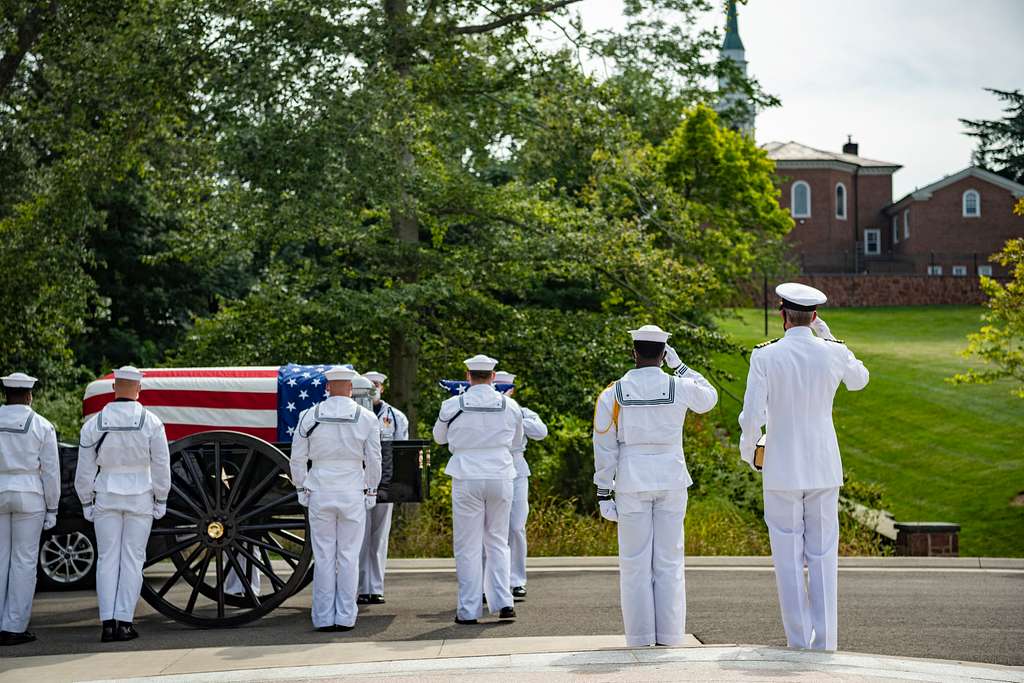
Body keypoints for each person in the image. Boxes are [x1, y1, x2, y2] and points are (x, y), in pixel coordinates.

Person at [739, 282, 869, 651]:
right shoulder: (834, 352)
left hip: (781, 465)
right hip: (823, 464)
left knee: (787, 555)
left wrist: (750, 452)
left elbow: (752, 417)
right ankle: (825, 643)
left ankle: (798, 641)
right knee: (824, 553)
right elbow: (860, 380)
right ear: (813, 316)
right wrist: (830, 337)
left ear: (783, 316)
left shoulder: (765, 356)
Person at [592, 325, 718, 647]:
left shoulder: (613, 393)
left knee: (634, 564)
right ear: (663, 354)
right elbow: (710, 398)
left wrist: (604, 490)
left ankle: (640, 637)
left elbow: (604, 447)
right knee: (670, 561)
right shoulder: (679, 385)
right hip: (671, 478)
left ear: (634, 352)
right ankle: (671, 637)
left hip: (632, 481)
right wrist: (681, 367)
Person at [76, 366, 170, 643]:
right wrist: (162, 497)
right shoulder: (151, 422)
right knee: (132, 559)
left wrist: (85, 501)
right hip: (141, 493)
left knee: (107, 559)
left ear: (114, 387)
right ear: (138, 390)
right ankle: (125, 623)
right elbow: (161, 466)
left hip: (105, 492)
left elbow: (84, 470)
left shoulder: (94, 424)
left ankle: (107, 623)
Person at [290, 366, 382, 632]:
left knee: (324, 555)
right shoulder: (366, 417)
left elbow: (297, 457)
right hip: (352, 489)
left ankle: (322, 616)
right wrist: (371, 489)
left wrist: (300, 487)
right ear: (351, 388)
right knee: (348, 556)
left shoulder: (309, 415)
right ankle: (345, 616)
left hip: (320, 488)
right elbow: (373, 459)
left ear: (327, 387)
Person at [433, 354, 523, 624]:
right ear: (493, 376)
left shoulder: (452, 404)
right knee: (497, 541)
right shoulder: (510, 405)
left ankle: (469, 609)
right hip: (500, 474)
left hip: (467, 473)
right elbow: (517, 441)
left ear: (468, 376)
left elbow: (438, 437)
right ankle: (504, 601)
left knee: (468, 545)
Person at [0, 373, 59, 646]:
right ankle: (14, 627)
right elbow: (50, 472)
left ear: (6, 394)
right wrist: (53, 507)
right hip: (30, 495)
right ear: (29, 395)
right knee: (23, 562)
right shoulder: (41, 425)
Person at [486, 371, 547, 600]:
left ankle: (516, 580)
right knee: (490, 528)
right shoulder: (488, 410)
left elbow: (541, 432)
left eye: (506, 388)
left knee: (515, 526)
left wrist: (517, 416)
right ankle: (489, 580)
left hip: (517, 468)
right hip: (492, 467)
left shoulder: (522, 412)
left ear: (512, 390)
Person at [356, 371, 408, 606]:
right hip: (357, 482)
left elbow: (401, 453)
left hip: (384, 484)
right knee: (358, 538)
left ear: (382, 389)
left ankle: (375, 587)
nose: (373, 388)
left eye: (376, 385)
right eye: (369, 384)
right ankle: (358, 588)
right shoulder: (354, 414)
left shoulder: (395, 417)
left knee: (378, 537)